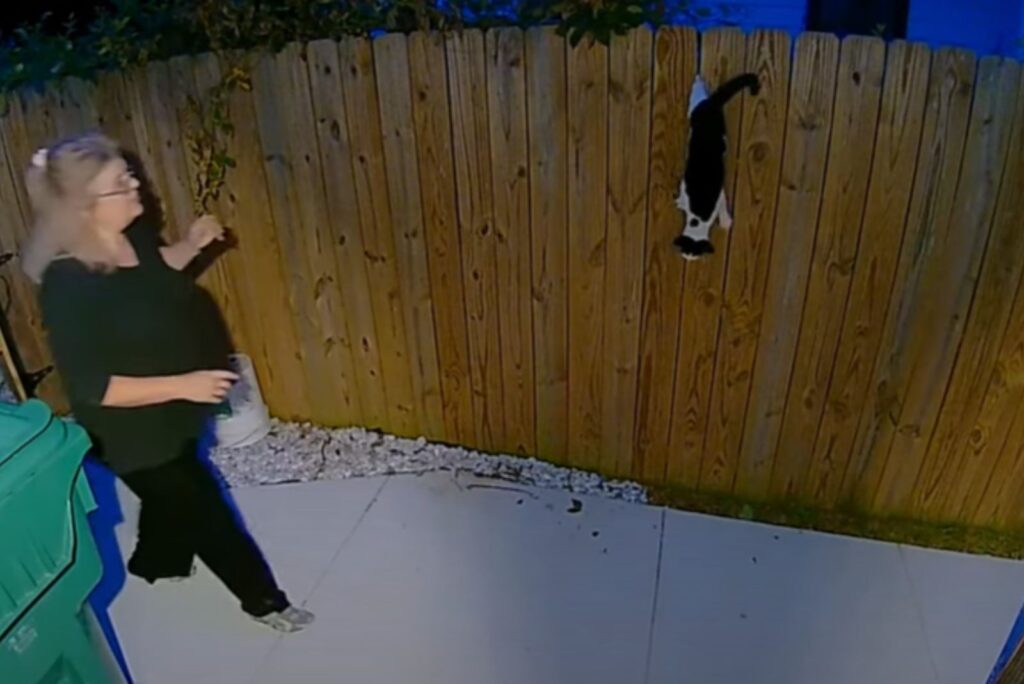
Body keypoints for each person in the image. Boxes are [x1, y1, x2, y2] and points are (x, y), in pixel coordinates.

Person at [22, 132, 314, 633]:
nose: (136, 184)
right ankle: (264, 601)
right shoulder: (68, 285)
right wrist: (186, 384)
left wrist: (192, 245)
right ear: (85, 208)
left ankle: (157, 561)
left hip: (177, 407)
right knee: (204, 508)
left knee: (172, 496)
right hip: (130, 434)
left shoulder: (130, 236)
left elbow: (155, 272)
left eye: (129, 175)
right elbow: (93, 386)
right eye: (121, 183)